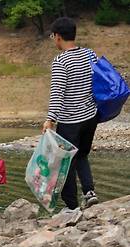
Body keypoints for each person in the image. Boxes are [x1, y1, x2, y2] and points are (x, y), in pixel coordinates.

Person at [44, 17, 100, 211]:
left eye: (53, 36)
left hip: (70, 121)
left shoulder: (61, 61)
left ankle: (72, 205)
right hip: (91, 116)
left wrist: (50, 119)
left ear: (58, 37)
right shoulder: (90, 54)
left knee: (66, 162)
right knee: (82, 155)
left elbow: (57, 93)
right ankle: (89, 192)